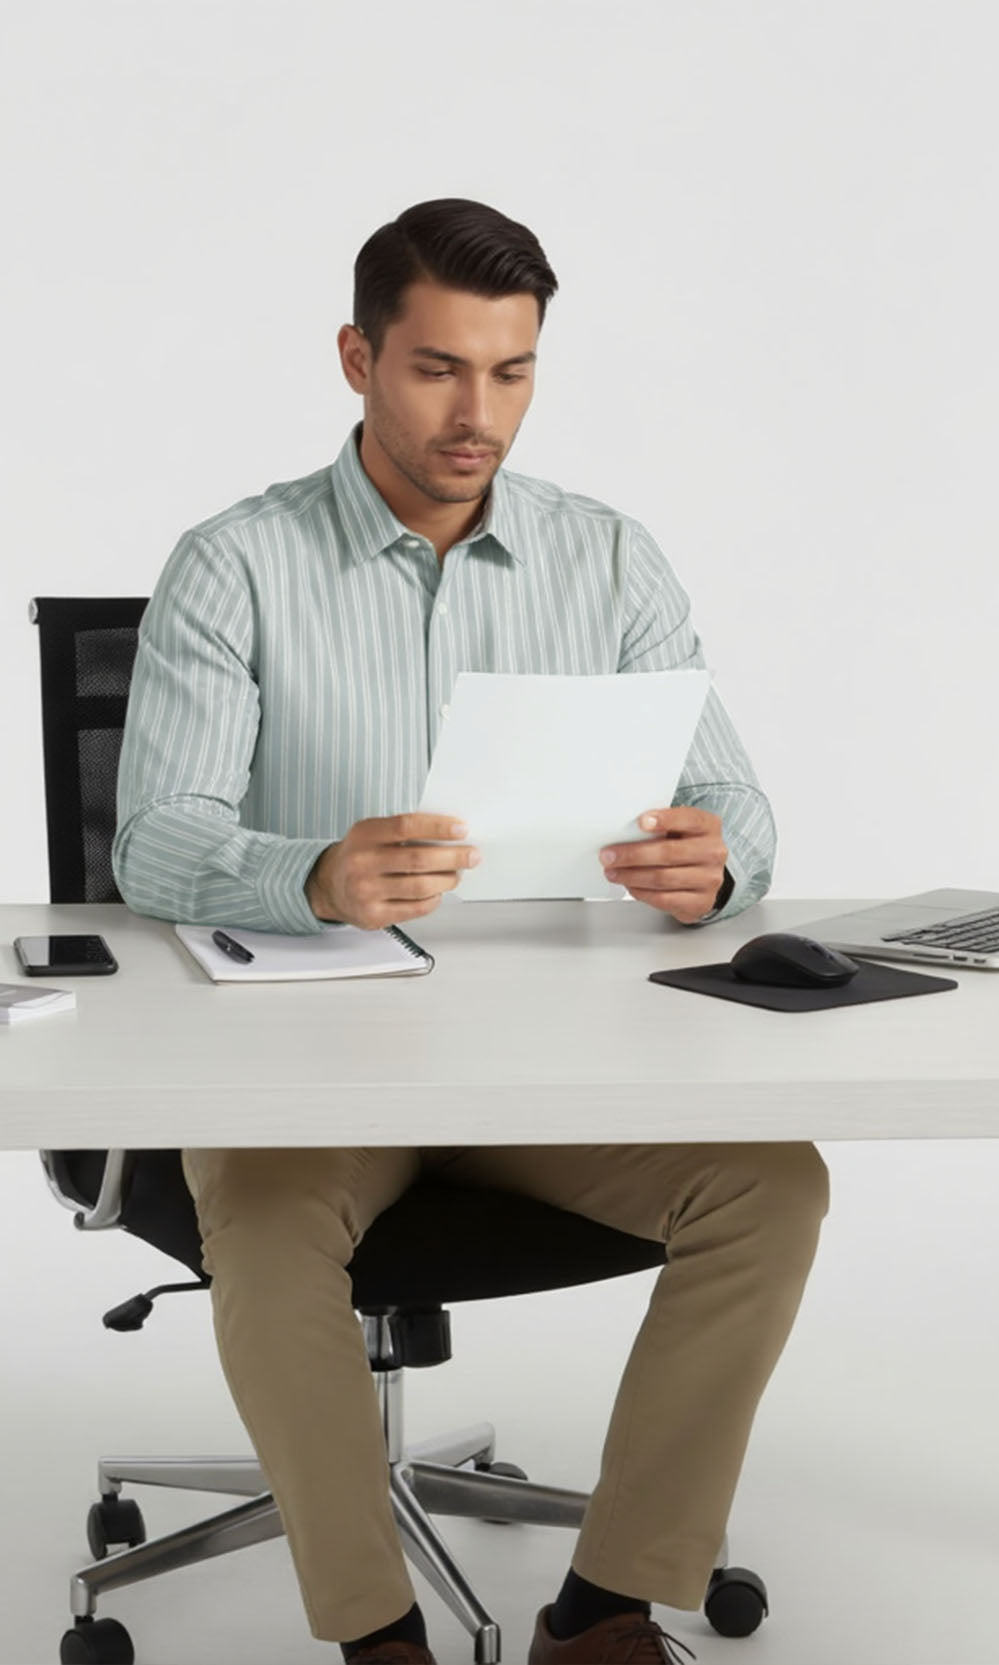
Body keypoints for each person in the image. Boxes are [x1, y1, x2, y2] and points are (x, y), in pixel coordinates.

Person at [112, 197, 829, 1665]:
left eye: (510, 372)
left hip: (541, 1070)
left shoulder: (608, 561)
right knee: (260, 1223)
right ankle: (378, 1633)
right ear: (357, 357)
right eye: (438, 367)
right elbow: (152, 841)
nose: (476, 411)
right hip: (304, 1065)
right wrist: (309, 870)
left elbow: (739, 811)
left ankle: (608, 1599)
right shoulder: (234, 563)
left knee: (773, 1184)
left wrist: (716, 863)